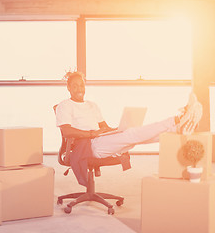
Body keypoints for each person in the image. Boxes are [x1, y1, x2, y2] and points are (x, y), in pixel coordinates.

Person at [55, 71, 203, 186]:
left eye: (81, 85)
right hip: (86, 146)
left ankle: (177, 129)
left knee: (135, 136)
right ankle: (177, 119)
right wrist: (93, 133)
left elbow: (104, 127)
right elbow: (67, 131)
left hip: (101, 141)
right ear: (68, 88)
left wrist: (116, 129)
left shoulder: (93, 105)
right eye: (74, 86)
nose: (79, 89)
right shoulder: (64, 106)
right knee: (132, 135)